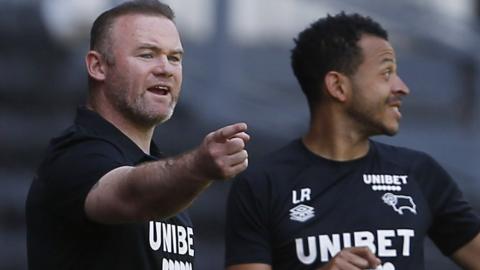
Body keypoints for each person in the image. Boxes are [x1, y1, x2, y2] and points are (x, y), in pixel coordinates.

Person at [224, 12, 480, 270]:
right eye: (386, 72)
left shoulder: (420, 173)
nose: (402, 87)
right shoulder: (262, 184)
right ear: (338, 86)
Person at [26, 1, 249, 269]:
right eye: (147, 54)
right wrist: (199, 167)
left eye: (174, 58)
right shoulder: (74, 158)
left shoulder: (166, 182)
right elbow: (130, 194)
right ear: (98, 66)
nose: (165, 68)